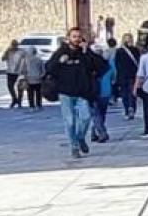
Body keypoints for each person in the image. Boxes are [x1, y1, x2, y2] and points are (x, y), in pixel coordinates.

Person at [46, 27, 107, 159]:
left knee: (85, 118)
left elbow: (102, 65)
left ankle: (80, 138)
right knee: (70, 122)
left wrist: (87, 52)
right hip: (65, 93)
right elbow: (49, 68)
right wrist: (59, 61)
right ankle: (74, 147)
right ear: (69, 38)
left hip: (82, 93)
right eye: (74, 36)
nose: (77, 39)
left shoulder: (85, 52)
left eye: (79, 36)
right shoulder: (61, 52)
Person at [90, 39, 117, 144]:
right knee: (101, 114)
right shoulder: (109, 64)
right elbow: (114, 77)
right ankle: (95, 132)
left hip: (93, 91)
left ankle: (101, 133)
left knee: (95, 114)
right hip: (106, 91)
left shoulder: (90, 65)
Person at [114, 34, 140, 120]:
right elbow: (138, 63)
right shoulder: (136, 50)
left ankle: (127, 110)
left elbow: (117, 64)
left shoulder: (119, 51)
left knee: (124, 94)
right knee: (132, 93)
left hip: (123, 76)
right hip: (133, 75)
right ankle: (132, 107)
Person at [19, 41, 47, 110]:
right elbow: (43, 70)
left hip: (29, 79)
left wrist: (24, 76)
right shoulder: (39, 59)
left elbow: (22, 70)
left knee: (30, 94)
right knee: (38, 93)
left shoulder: (25, 60)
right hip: (38, 79)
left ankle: (31, 106)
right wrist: (42, 76)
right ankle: (39, 105)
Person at [0, 40, 23, 108]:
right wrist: (6, 52)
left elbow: (25, 60)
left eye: (15, 45)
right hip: (10, 71)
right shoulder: (8, 51)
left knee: (20, 87)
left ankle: (19, 101)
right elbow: (3, 59)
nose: (14, 46)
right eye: (13, 45)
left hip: (19, 72)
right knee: (10, 86)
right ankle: (14, 99)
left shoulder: (21, 52)